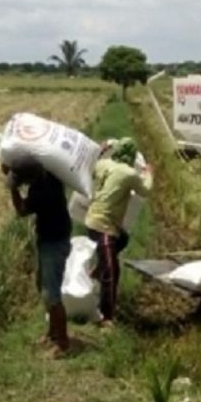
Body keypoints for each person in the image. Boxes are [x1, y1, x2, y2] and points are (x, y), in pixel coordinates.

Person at [4, 161, 72, 353]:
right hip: (52, 239)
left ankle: (63, 344)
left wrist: (13, 188)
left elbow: (22, 210)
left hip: (54, 243)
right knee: (43, 286)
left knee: (51, 294)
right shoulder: (51, 175)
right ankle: (53, 333)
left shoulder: (41, 191)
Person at [84, 137, 151, 328]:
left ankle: (98, 269)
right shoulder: (129, 173)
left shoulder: (105, 164)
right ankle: (106, 318)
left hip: (92, 221)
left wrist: (101, 149)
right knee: (112, 272)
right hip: (103, 226)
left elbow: (90, 165)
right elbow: (146, 190)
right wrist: (148, 173)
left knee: (123, 239)